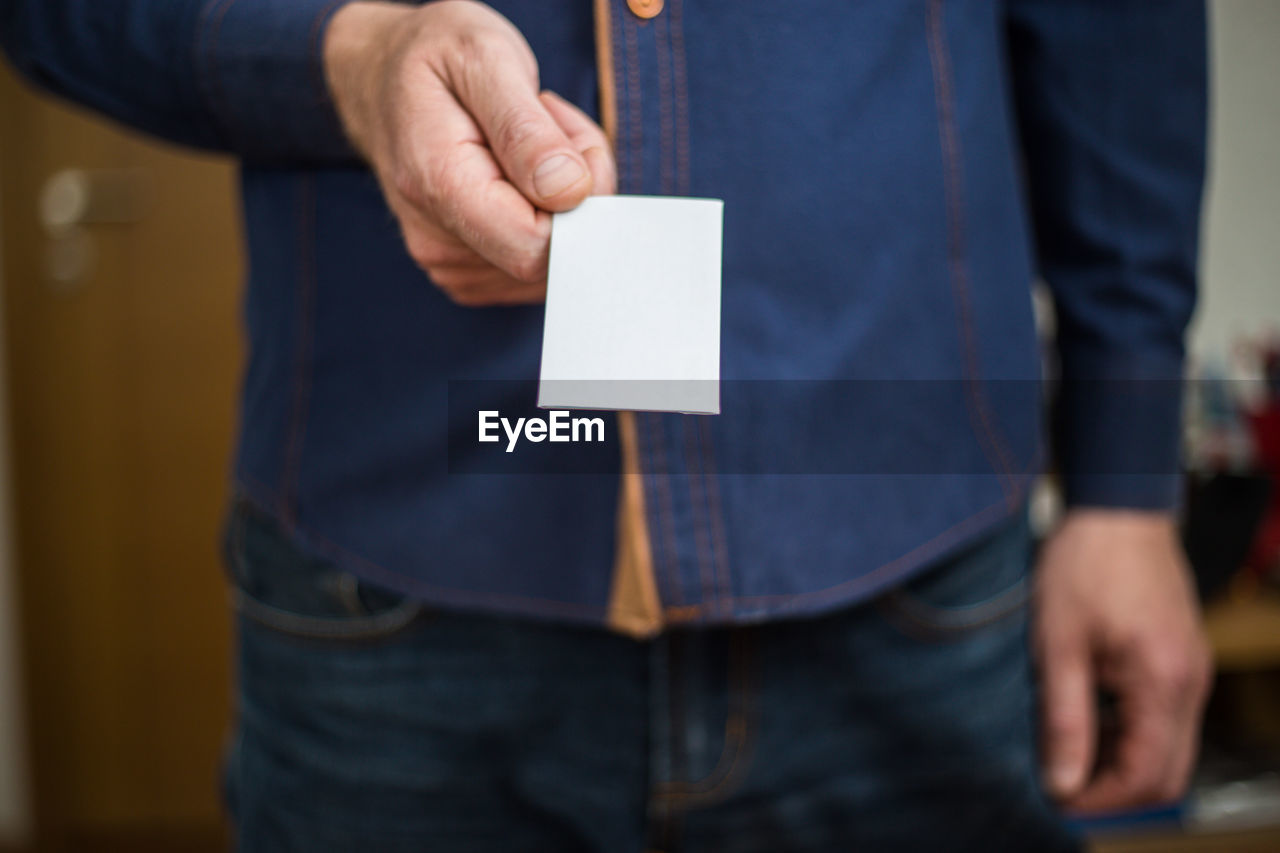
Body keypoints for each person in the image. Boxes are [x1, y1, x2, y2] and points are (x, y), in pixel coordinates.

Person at [0, 1, 1212, 850]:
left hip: (917, 579)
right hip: (389, 602)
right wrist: (351, 57)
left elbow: (1116, 25)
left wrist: (1123, 480)